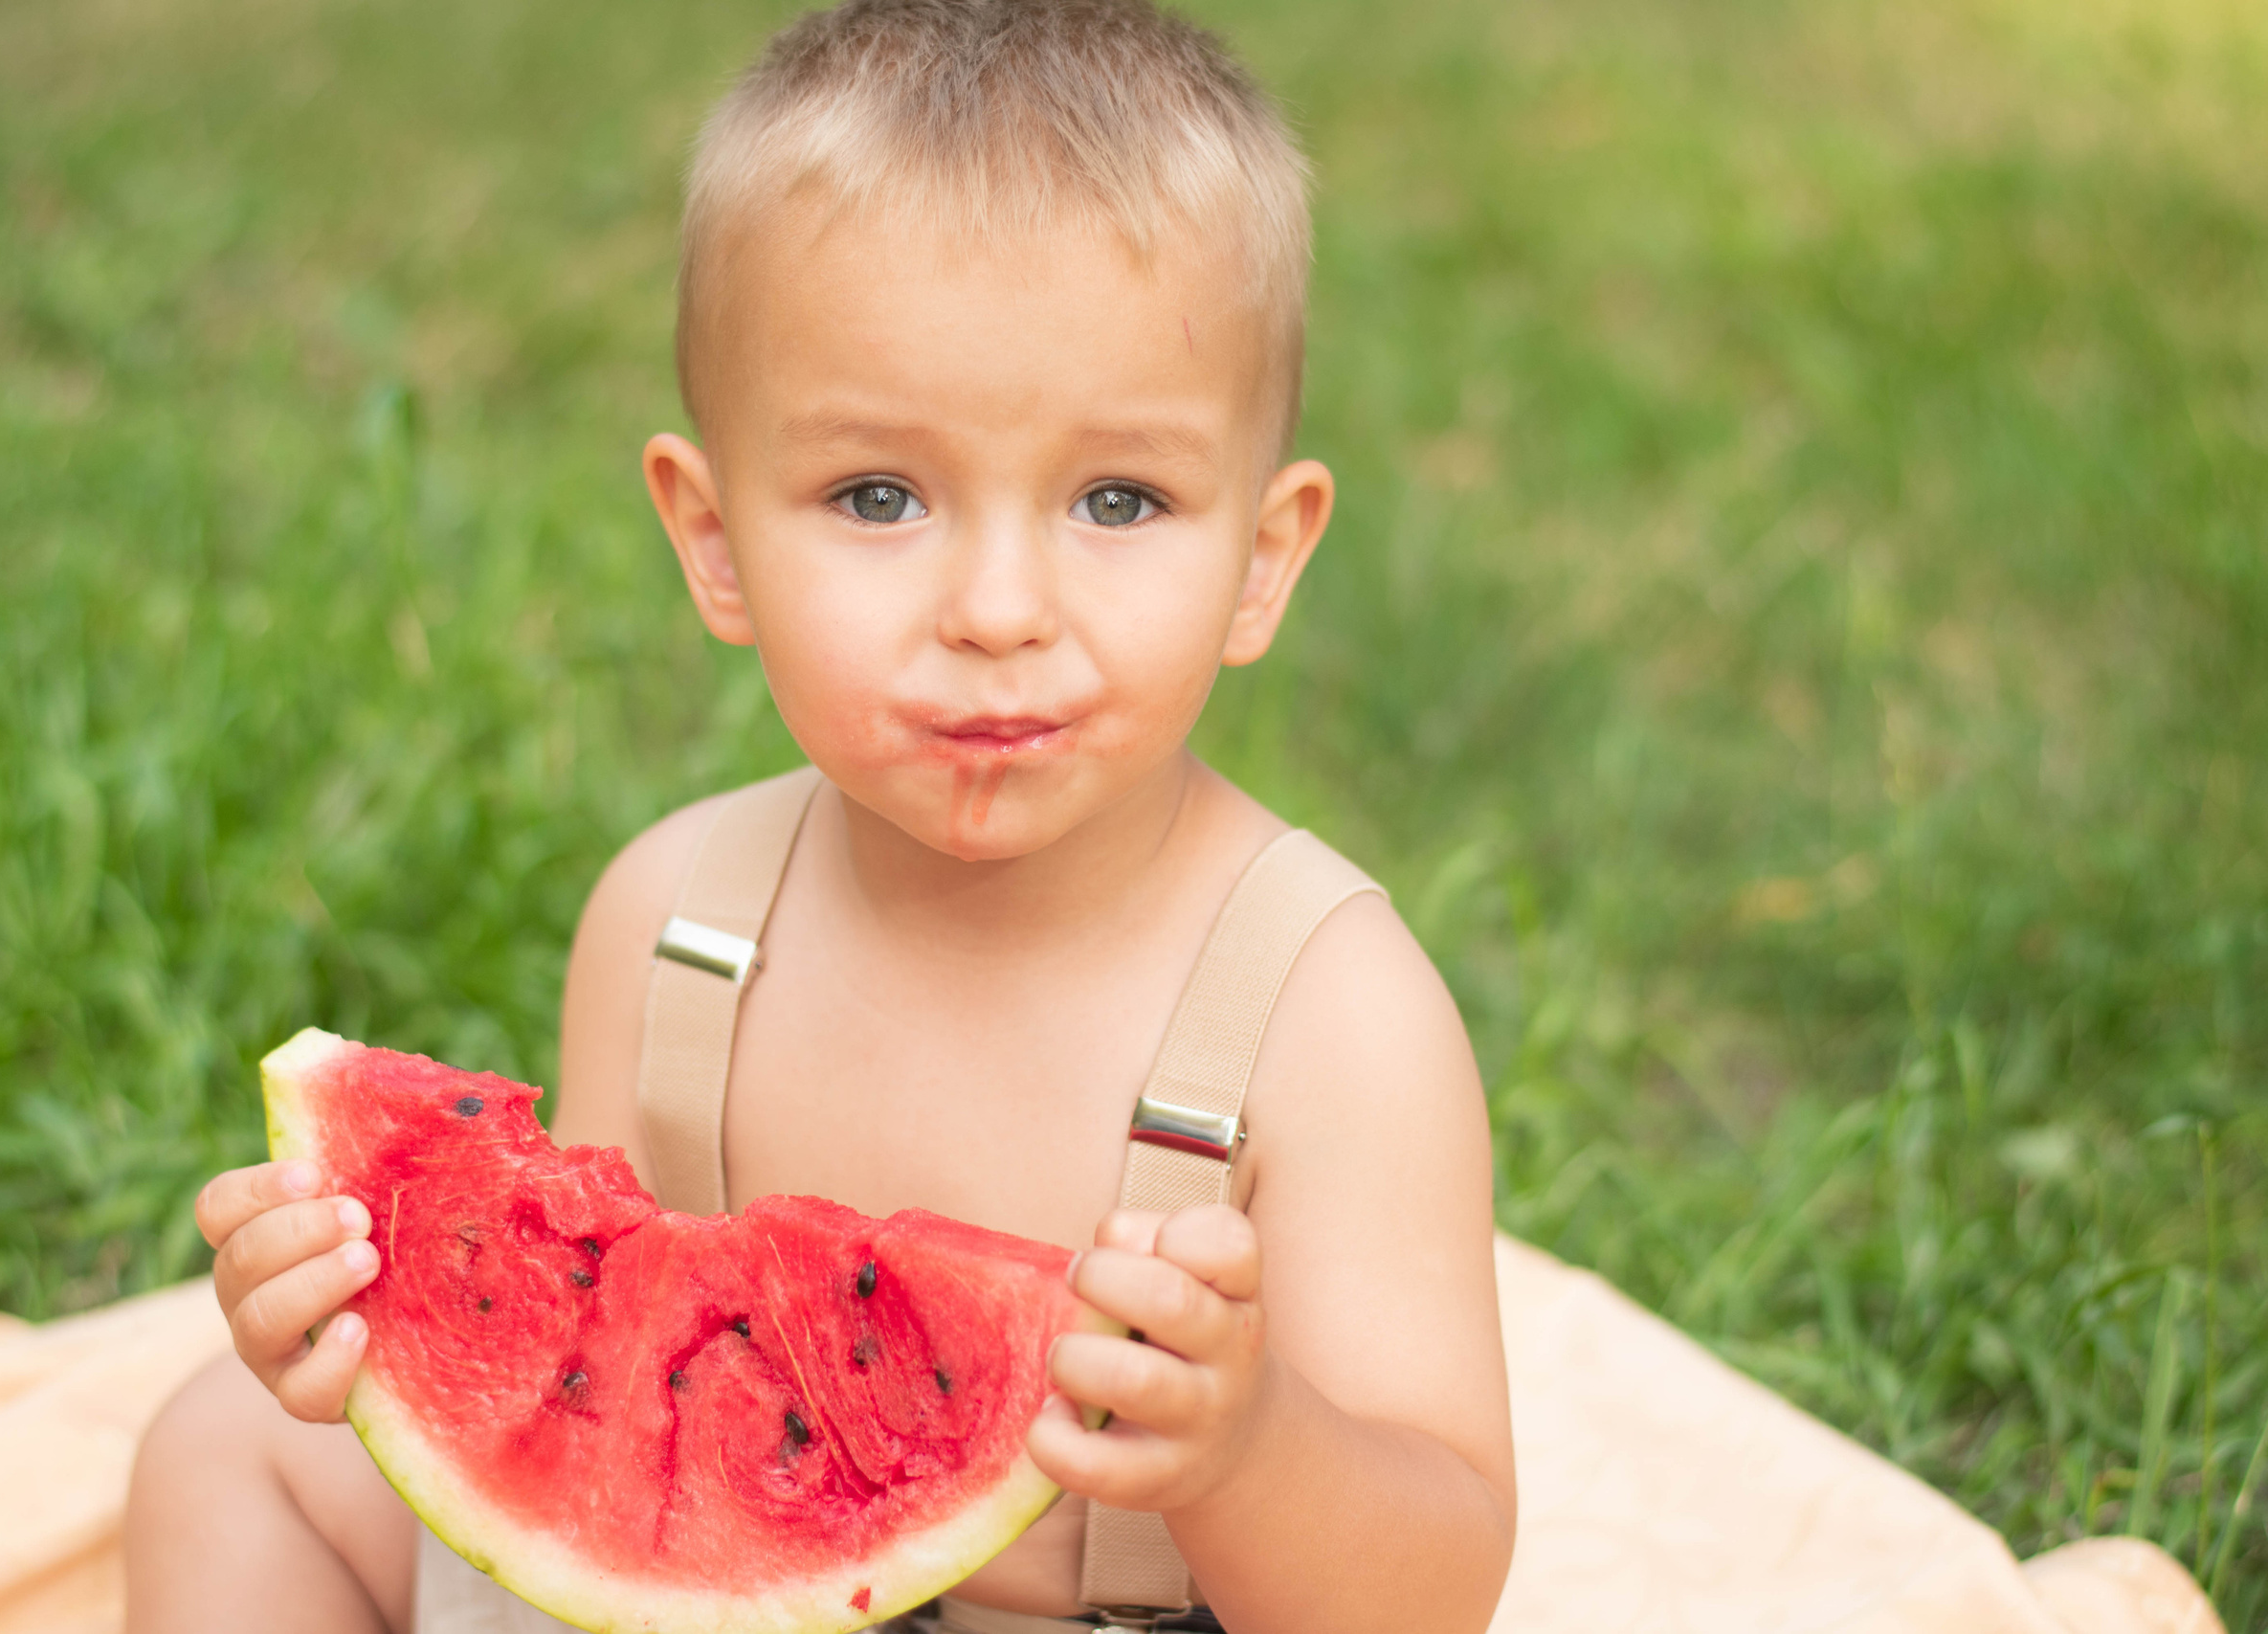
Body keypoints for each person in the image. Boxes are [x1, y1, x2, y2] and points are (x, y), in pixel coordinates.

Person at [124, 4, 1516, 1632]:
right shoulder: (675, 921)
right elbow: (598, 1371)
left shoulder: (1331, 1018)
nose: (998, 608)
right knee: (226, 1450)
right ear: (713, 541)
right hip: (702, 1594)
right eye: (879, 496)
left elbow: (1436, 1589)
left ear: (1264, 558)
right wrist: (368, 1331)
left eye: (1117, 500)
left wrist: (1249, 1448)